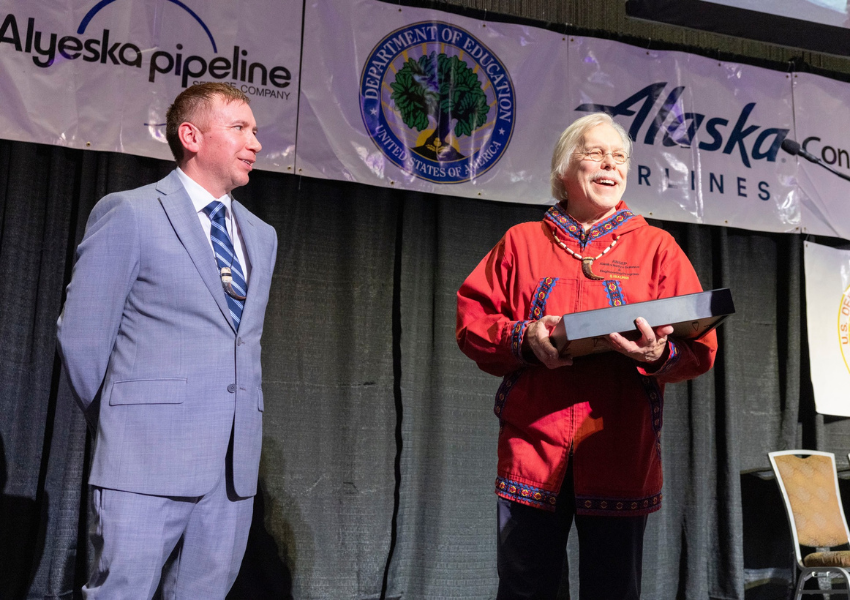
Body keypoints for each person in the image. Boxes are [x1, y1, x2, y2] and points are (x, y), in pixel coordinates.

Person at [456, 113, 718, 599]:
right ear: (562, 171)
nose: (609, 164)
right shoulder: (521, 242)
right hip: (533, 451)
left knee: (614, 590)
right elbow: (473, 326)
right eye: (594, 153)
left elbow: (701, 348)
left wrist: (659, 353)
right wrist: (524, 335)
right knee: (525, 588)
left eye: (619, 157)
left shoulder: (658, 248)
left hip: (619, 449)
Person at [56, 82, 277, 598]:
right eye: (240, 128)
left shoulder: (261, 235)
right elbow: (81, 338)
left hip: (231, 474)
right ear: (191, 135)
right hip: (144, 459)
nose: (255, 143)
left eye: (256, 131)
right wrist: (122, 420)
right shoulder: (130, 212)